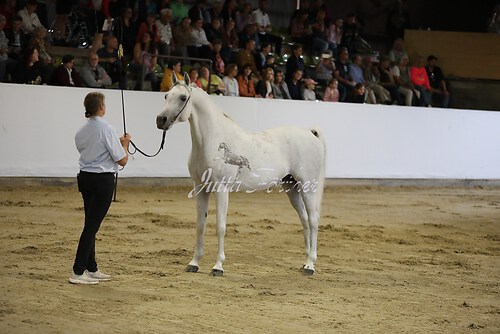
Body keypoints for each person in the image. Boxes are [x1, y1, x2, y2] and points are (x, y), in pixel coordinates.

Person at [70, 91, 131, 285]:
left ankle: (91, 267)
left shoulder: (80, 131)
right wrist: (125, 144)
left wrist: (119, 145)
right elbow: (122, 160)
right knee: (91, 227)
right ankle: (77, 271)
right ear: (101, 107)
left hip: (85, 178)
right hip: (102, 180)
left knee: (90, 223)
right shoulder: (106, 129)